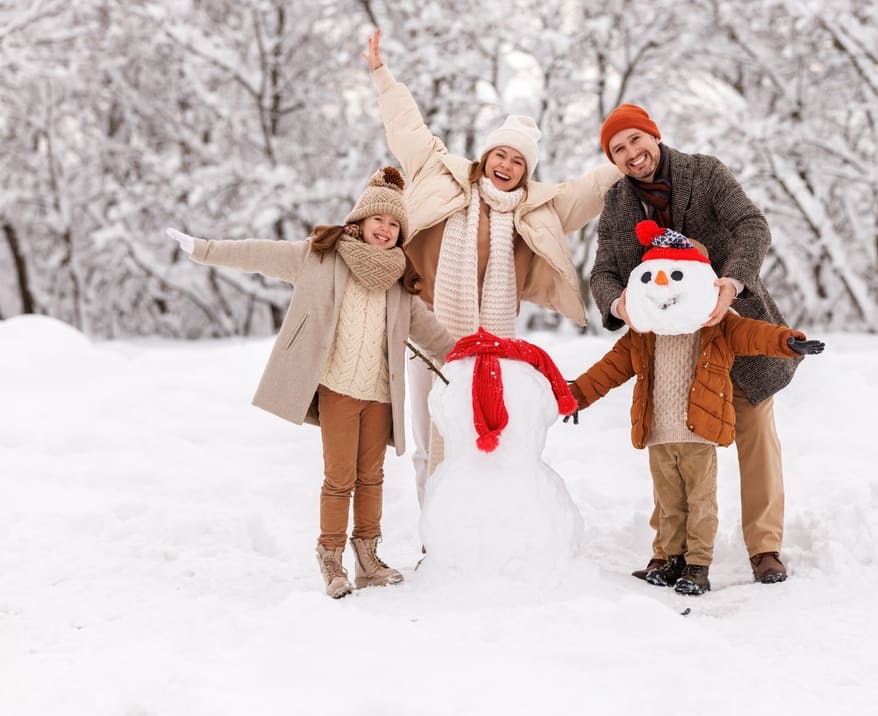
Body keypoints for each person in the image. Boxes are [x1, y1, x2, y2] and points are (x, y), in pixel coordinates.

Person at [165, 167, 454, 599]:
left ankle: (368, 559)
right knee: (339, 478)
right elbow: (259, 254)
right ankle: (332, 558)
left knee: (371, 478)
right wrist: (204, 249)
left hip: (378, 393)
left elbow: (429, 333)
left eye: (395, 225)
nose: (386, 230)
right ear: (359, 221)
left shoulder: (399, 281)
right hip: (338, 387)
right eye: (380, 220)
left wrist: (472, 357)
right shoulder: (321, 257)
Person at [363, 29, 621, 506]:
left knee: (480, 439)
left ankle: (474, 524)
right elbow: (407, 127)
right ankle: (432, 535)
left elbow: (588, 190)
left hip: (491, 344)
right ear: (486, 155)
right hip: (427, 330)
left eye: (519, 161)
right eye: (501, 153)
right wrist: (382, 75)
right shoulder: (440, 173)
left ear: (527, 172)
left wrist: (629, 159)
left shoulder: (536, 209)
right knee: (428, 437)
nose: (507, 164)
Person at [590, 103, 800, 584]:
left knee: (755, 434)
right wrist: (618, 304)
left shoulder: (704, 173)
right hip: (669, 350)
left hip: (731, 327)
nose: (631, 153)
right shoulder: (618, 204)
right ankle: (669, 550)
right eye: (618, 149)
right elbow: (602, 272)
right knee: (671, 449)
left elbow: (752, 225)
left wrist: (732, 282)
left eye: (635, 141)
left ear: (654, 136)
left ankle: (765, 547)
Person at [571, 222, 824, 594]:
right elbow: (610, 368)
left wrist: (788, 341)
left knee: (700, 502)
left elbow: (755, 334)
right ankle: (672, 558)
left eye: (678, 274)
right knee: (669, 502)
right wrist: (576, 394)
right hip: (658, 432)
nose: (666, 286)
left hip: (698, 432)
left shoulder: (718, 325)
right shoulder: (643, 331)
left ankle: (698, 565)